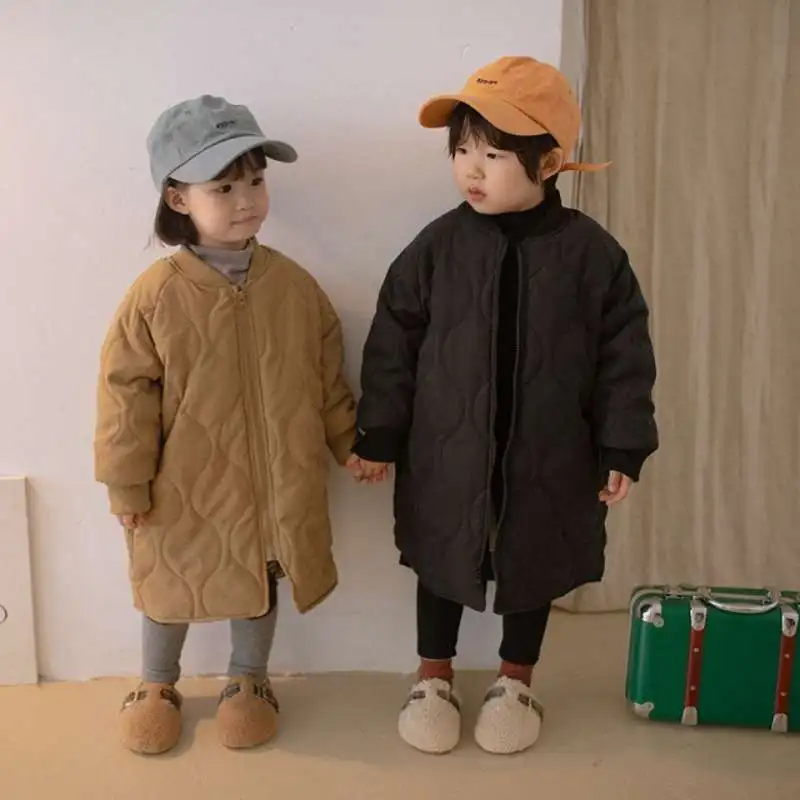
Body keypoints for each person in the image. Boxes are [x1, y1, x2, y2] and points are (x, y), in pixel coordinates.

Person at [351, 57, 659, 755]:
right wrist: (380, 433)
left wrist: (623, 445)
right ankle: (433, 678)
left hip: (553, 452)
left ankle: (516, 681)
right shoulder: (437, 246)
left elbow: (626, 356)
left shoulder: (592, 255)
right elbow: (393, 341)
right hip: (446, 451)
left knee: (534, 560)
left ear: (547, 162)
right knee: (440, 554)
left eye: (493, 154)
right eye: (462, 149)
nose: (472, 169)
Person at [94, 95, 360, 755]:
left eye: (256, 181)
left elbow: (326, 374)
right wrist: (126, 483)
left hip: (273, 484)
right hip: (182, 485)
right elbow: (124, 396)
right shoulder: (155, 295)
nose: (247, 200)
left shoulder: (294, 286)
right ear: (178, 198)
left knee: (260, 575)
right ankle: (157, 683)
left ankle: (249, 679)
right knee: (170, 579)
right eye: (223, 187)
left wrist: (351, 443)